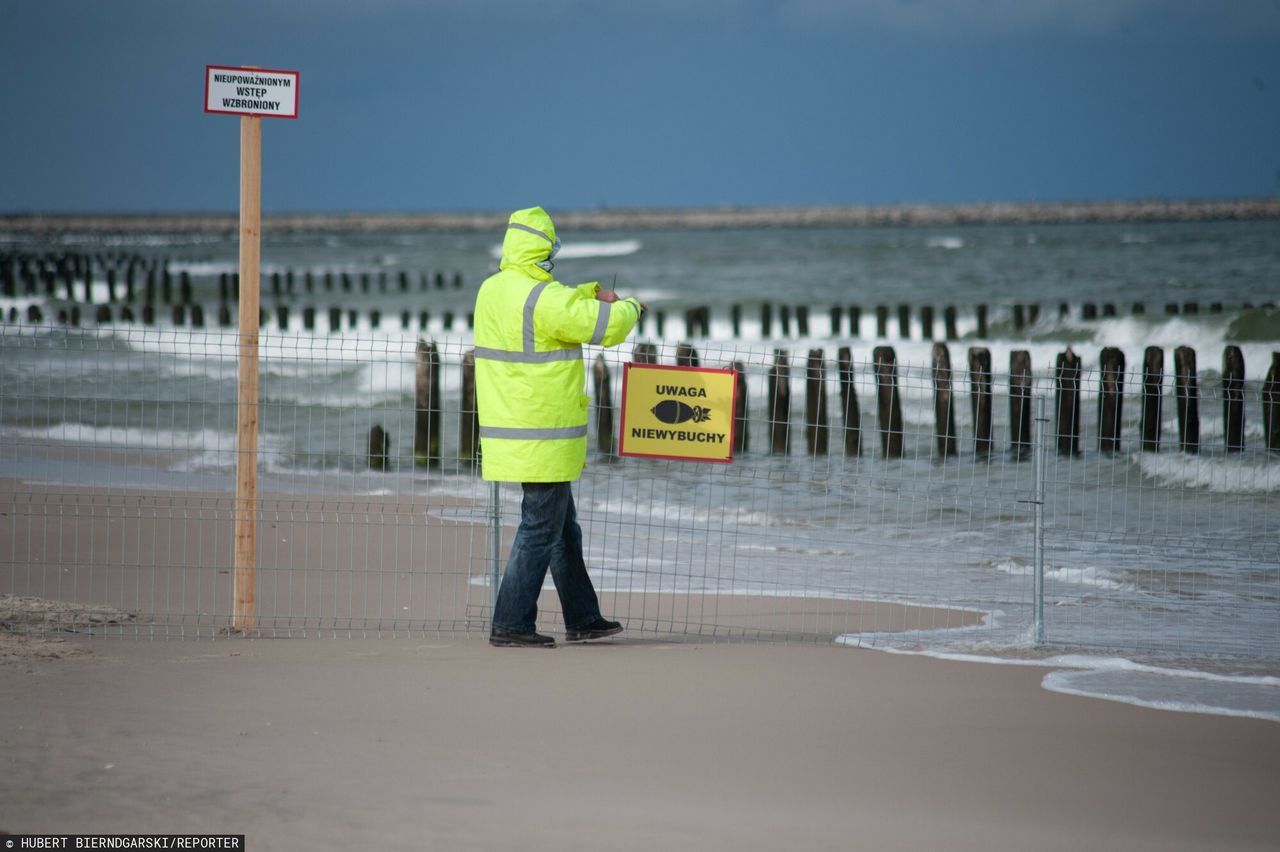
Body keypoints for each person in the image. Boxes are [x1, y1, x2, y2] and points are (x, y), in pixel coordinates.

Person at [474, 206, 645, 648]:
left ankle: (584, 618)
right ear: (545, 250)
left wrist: (588, 291)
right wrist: (629, 307)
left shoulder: (493, 290)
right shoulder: (542, 298)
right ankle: (510, 623)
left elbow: (558, 304)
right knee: (539, 529)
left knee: (561, 529)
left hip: (512, 430)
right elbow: (601, 327)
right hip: (542, 435)